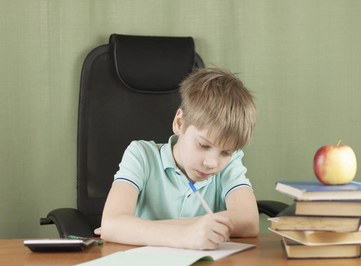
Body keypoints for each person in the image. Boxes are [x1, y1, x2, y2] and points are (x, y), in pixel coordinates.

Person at [97, 67, 259, 250]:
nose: (212, 163)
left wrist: (131, 228)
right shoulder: (141, 155)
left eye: (225, 152)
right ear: (179, 123)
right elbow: (112, 224)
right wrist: (185, 235)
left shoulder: (232, 163)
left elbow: (249, 221)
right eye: (204, 145)